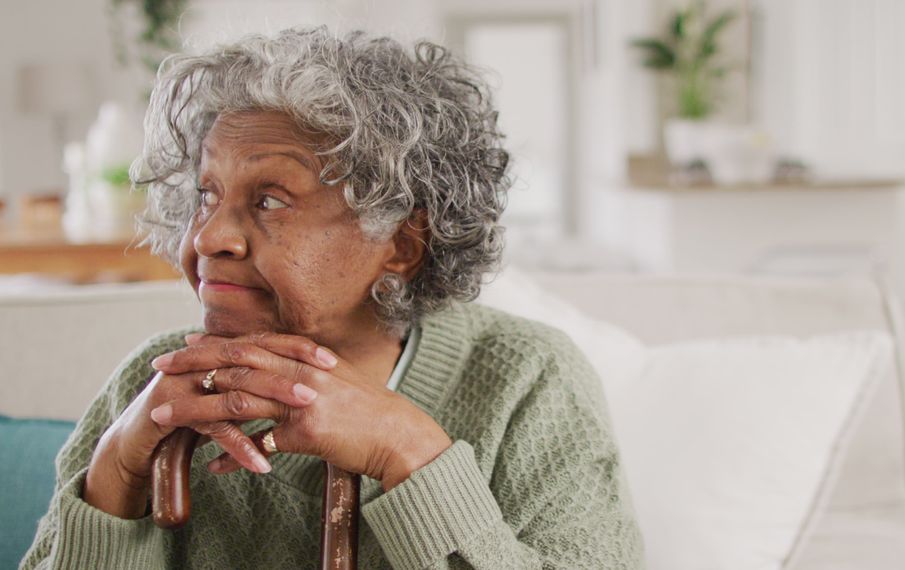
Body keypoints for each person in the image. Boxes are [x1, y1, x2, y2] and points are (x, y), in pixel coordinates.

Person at [21, 27, 644, 569]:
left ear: (400, 242)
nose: (208, 236)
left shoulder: (527, 381)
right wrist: (116, 476)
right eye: (208, 194)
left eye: (270, 199)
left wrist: (408, 454)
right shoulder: (152, 383)